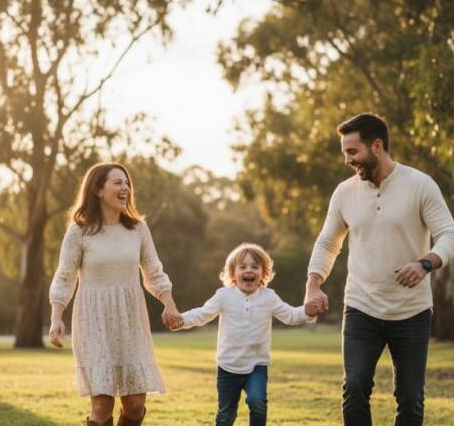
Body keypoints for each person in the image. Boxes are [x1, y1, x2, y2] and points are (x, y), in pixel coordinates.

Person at [304, 113, 454, 426]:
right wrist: (314, 283)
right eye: (345, 153)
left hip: (412, 311)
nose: (348, 160)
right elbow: (327, 244)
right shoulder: (344, 193)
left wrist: (424, 263)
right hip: (362, 306)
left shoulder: (420, 185)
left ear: (377, 146)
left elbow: (450, 236)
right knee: (356, 385)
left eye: (353, 152)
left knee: (410, 396)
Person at [48, 162, 183, 426]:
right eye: (117, 182)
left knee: (134, 405)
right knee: (102, 404)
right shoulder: (79, 231)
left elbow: (154, 272)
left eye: (127, 183)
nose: (125, 188)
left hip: (131, 321)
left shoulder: (137, 229)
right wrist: (56, 317)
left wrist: (169, 304)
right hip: (93, 321)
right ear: (98, 190)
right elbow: (64, 276)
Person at [174, 243, 320, 426]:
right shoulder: (223, 296)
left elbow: (290, 315)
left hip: (256, 366)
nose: (248, 270)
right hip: (228, 367)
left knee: (257, 402)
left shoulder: (269, 297)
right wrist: (181, 319)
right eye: (242, 267)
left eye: (255, 267)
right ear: (233, 273)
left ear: (263, 273)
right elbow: (202, 314)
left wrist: (307, 312)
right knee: (226, 414)